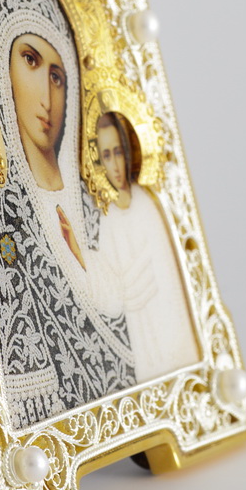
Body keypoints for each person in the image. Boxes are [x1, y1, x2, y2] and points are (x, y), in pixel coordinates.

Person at [0, 0, 135, 430]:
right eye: (29, 60)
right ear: (1, 68)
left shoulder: (96, 205)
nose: (47, 97)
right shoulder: (4, 221)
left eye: (58, 76)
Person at [95, 112, 200, 383]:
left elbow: (170, 272)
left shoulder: (147, 204)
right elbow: (112, 294)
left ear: (128, 152)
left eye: (118, 152)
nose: (115, 165)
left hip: (172, 321)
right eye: (107, 155)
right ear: (99, 162)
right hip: (143, 336)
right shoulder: (108, 220)